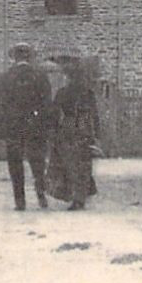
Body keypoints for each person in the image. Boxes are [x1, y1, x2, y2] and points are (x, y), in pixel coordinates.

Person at [0, 43, 52, 210]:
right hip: (35, 125)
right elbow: (47, 103)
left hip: (14, 126)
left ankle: (20, 201)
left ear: (15, 57)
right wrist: (46, 124)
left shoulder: (6, 77)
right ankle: (41, 195)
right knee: (38, 162)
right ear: (29, 57)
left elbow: (0, 104)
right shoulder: (40, 76)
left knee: (15, 164)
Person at [50, 61, 99, 210]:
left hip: (69, 128)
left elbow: (54, 113)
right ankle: (81, 196)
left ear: (69, 77)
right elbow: (94, 115)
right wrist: (97, 133)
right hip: (85, 129)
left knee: (70, 162)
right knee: (84, 164)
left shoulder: (62, 93)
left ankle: (73, 195)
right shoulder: (88, 93)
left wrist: (54, 130)